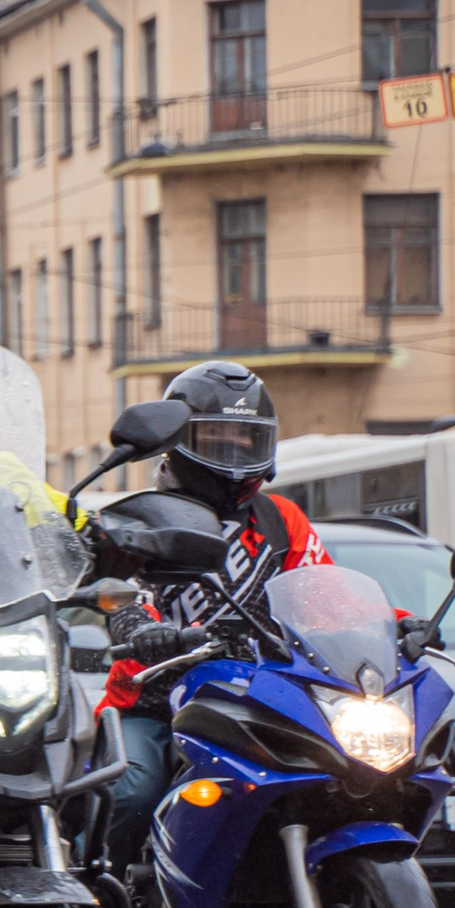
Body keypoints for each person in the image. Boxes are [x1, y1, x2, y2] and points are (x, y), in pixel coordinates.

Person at [96, 360, 328, 875]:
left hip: (264, 695)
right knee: (133, 787)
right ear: (177, 441)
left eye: (246, 436)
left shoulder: (280, 518)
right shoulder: (139, 515)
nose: (232, 446)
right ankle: (96, 902)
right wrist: (141, 629)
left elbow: (321, 588)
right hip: (156, 701)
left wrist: (393, 623)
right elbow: (121, 595)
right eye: (214, 434)